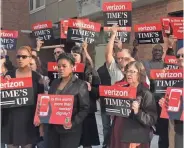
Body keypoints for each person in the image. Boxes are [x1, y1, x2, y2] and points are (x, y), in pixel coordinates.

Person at [1, 46, 44, 148]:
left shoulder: (37, 77)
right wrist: (4, 83)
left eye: (24, 57)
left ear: (30, 58)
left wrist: (40, 121)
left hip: (29, 120)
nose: (20, 59)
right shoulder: (9, 75)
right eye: (18, 56)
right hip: (11, 119)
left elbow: (41, 101)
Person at [46, 53, 90, 148]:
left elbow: (85, 108)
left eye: (64, 66)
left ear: (72, 66)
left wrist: (73, 122)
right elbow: (48, 102)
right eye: (59, 66)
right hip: (53, 129)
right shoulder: (54, 82)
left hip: (70, 130)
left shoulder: (80, 85)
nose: (61, 68)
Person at [110, 61, 157, 148]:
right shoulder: (121, 90)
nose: (128, 74)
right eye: (127, 71)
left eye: (132, 71)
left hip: (134, 138)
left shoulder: (146, 93)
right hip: (118, 134)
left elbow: (151, 119)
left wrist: (137, 112)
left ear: (140, 74)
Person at [71, 43, 101, 148]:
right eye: (71, 55)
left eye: (75, 55)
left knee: (87, 142)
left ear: (81, 56)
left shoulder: (91, 71)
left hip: (87, 111)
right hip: (72, 110)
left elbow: (98, 92)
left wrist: (90, 88)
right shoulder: (68, 70)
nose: (73, 57)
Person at [159, 47, 184, 148]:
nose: (180, 58)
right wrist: (165, 104)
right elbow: (173, 111)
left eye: (183, 55)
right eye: (178, 56)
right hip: (180, 132)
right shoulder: (177, 85)